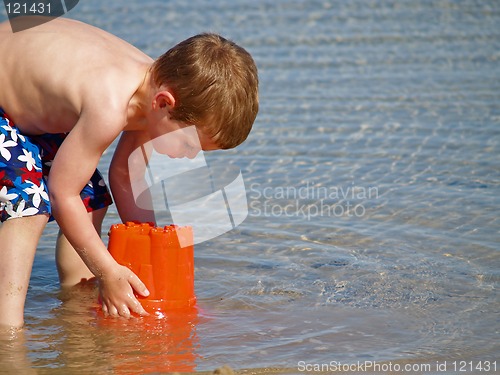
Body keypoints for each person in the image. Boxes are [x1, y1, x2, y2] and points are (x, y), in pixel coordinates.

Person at [0, 16, 259, 329]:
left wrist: (152, 247)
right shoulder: (111, 103)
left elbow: (124, 173)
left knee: (91, 198)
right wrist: (110, 271)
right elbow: (60, 192)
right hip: (7, 105)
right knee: (29, 204)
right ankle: (8, 330)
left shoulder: (153, 93)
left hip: (32, 108)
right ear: (165, 103)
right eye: (191, 144)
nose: (190, 156)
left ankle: (77, 300)